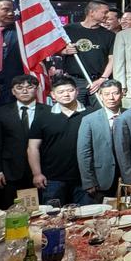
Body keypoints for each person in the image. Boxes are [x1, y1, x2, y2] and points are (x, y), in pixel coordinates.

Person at [0, 74, 47, 208]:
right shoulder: (1, 112)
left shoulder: (48, 111)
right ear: (13, 91)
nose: (24, 91)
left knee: (42, 211)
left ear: (36, 90)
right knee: (12, 211)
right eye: (19, 88)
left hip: (43, 170)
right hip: (10, 172)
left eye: (29, 87)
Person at [27, 75, 89, 205]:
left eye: (70, 90)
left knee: (88, 216)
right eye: (61, 92)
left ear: (77, 91)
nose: (66, 94)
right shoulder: (43, 117)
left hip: (84, 179)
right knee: (52, 215)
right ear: (53, 95)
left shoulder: (90, 114)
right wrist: (37, 174)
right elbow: (32, 147)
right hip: (52, 179)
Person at [76, 79, 124, 204]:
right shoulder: (89, 120)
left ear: (122, 94)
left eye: (115, 93)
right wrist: (88, 181)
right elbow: (84, 153)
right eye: (106, 94)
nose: (111, 98)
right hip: (102, 178)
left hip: (129, 178)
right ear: (100, 96)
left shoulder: (130, 115)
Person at [63, 0, 116, 107]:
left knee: (101, 113)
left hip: (98, 82)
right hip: (75, 82)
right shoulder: (69, 29)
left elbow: (112, 59)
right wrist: (64, 51)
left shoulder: (109, 35)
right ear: (92, 12)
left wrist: (102, 79)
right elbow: (53, 49)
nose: (107, 15)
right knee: (75, 112)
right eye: (104, 12)